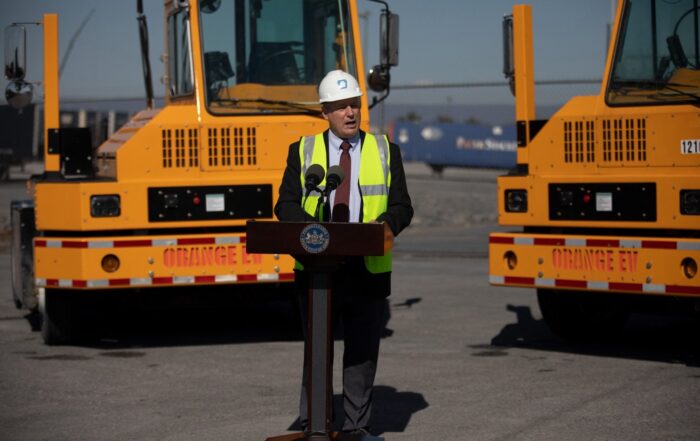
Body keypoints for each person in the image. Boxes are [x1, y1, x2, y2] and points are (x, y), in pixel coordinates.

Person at [274, 69, 413, 437]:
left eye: (354, 104)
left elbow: (402, 207)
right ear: (325, 112)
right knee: (316, 353)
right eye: (340, 107)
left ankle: (355, 429)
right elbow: (285, 206)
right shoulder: (303, 151)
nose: (350, 112)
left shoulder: (386, 151)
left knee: (362, 356)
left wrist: (381, 229)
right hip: (317, 268)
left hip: (367, 268)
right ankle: (314, 427)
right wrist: (314, 234)